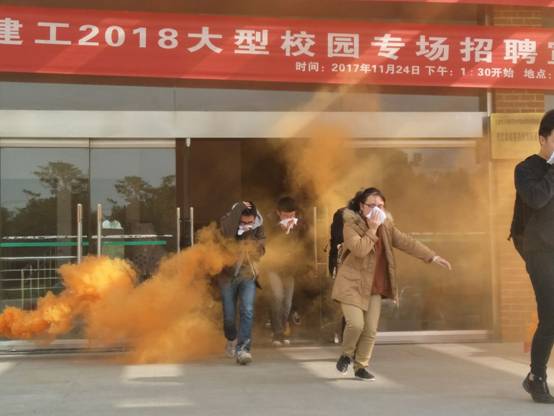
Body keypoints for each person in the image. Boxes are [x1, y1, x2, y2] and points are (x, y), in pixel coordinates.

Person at [331, 187, 451, 380]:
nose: (376, 210)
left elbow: (407, 242)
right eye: (372, 205)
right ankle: (346, 354)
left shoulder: (386, 227)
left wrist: (432, 256)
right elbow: (360, 250)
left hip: (374, 285)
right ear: (361, 206)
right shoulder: (351, 225)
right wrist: (372, 228)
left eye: (380, 206)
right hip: (351, 284)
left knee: (370, 329)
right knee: (356, 324)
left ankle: (361, 366)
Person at [514, 109, 554, 404]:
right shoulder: (526, 169)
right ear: (543, 138)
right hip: (539, 250)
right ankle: (536, 377)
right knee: (550, 314)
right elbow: (537, 199)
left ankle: (534, 377)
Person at [218, 201, 265, 365]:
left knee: (247, 310)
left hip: (247, 273)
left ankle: (243, 349)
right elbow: (225, 236)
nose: (247, 225)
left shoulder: (258, 225)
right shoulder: (226, 222)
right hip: (227, 275)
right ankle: (231, 338)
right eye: (243, 222)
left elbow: (261, 249)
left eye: (250, 222)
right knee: (229, 316)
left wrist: (250, 239)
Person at [265, 196, 309, 346]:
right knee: (277, 297)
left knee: (287, 302)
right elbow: (266, 242)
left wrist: (298, 228)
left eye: (292, 215)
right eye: (285, 215)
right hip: (273, 267)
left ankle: (283, 330)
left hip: (289, 268)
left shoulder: (300, 224)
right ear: (278, 213)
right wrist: (281, 231)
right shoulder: (270, 223)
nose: (289, 218)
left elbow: (304, 243)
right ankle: (277, 333)